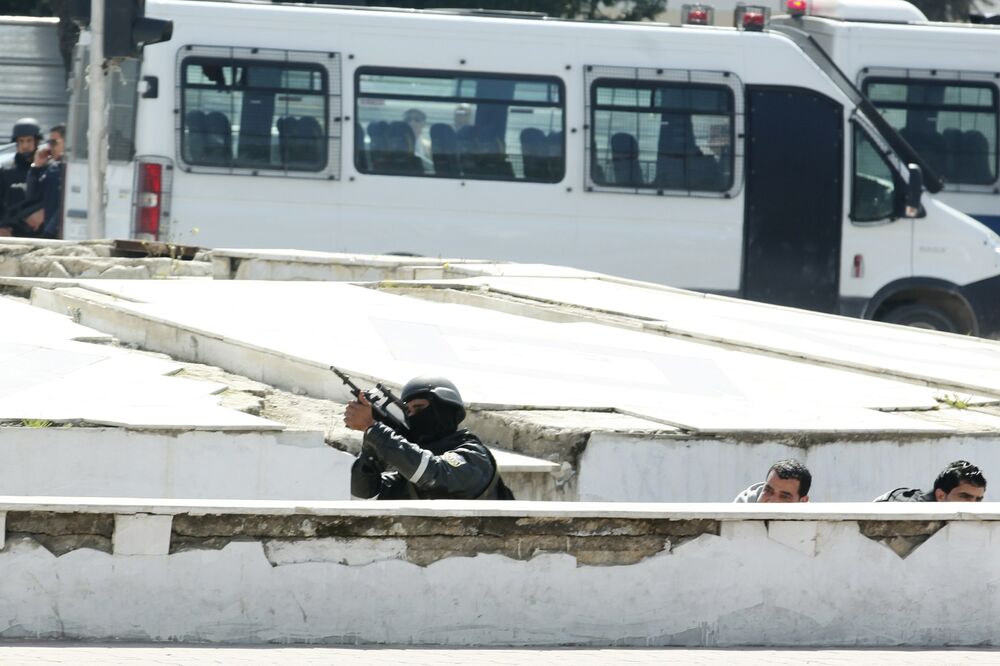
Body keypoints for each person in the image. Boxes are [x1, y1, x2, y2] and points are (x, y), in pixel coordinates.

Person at [345, 375, 512, 500]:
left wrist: (374, 429)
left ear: (444, 409)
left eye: (419, 408)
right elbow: (364, 493)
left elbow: (434, 474)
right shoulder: (411, 475)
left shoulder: (475, 456)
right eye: (409, 412)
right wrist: (371, 445)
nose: (414, 417)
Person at [0, 118, 45, 237]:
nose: (25, 145)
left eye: (29, 140)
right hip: (10, 233)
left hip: (41, 234)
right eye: (21, 141)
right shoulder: (6, 170)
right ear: (16, 143)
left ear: (37, 142)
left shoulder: (47, 170)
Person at [24, 124, 66, 239]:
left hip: (58, 232)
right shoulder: (52, 168)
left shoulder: (74, 171)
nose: (50, 147)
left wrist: (49, 229)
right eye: (49, 143)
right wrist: (36, 167)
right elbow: (31, 195)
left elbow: (67, 202)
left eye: (54, 142)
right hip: (48, 231)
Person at [875, 460, 987, 502]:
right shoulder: (902, 504)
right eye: (965, 496)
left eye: (978, 499)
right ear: (941, 496)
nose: (972, 504)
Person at [734, 459, 811, 503]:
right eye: (768, 490)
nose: (772, 501)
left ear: (803, 501)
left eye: (784, 496)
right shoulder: (738, 511)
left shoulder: (812, 522)